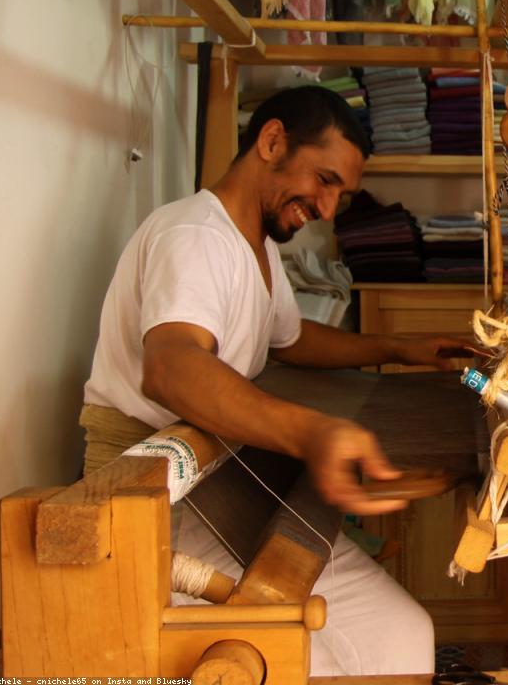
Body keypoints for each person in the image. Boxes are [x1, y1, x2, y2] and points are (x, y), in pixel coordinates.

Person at [79, 86, 466, 675]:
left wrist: (399, 348)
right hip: (152, 501)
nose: (329, 208)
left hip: (222, 484)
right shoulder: (197, 237)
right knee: (301, 658)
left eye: (342, 193)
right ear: (272, 141)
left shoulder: (252, 246)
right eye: (325, 180)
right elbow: (172, 367)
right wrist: (313, 433)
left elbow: (289, 338)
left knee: (400, 635)